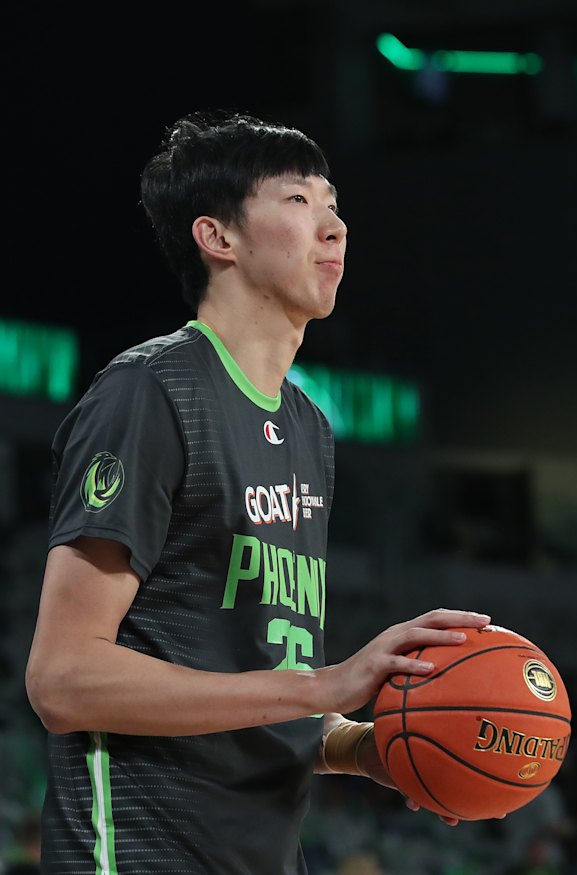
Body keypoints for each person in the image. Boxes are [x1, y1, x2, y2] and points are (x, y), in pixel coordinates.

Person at [25, 111, 491, 874]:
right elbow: (64, 678)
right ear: (220, 238)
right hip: (142, 853)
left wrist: (369, 745)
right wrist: (327, 682)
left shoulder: (308, 426)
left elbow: (256, 685)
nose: (334, 227)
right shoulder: (148, 392)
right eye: (301, 202)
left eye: (335, 205)